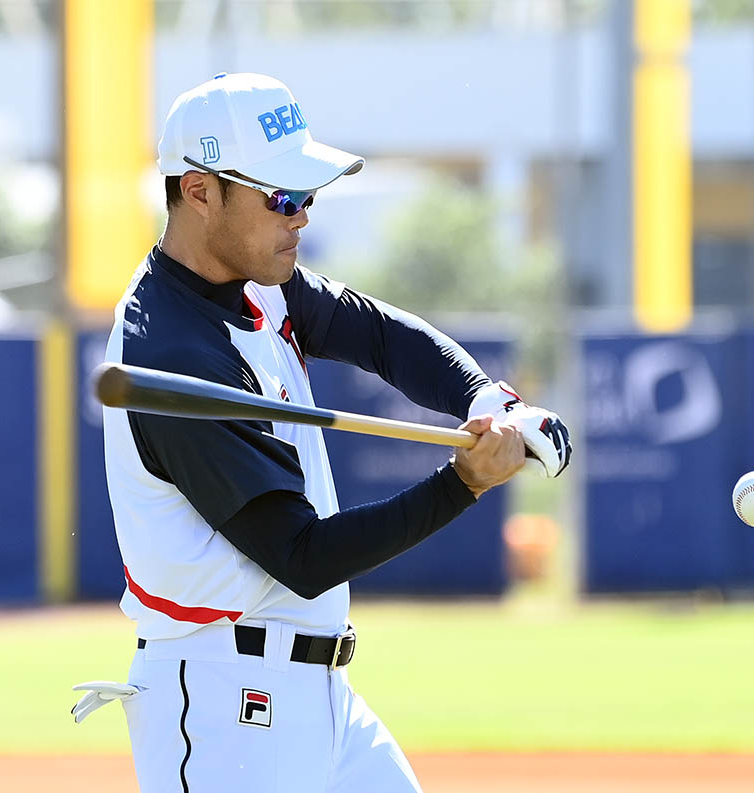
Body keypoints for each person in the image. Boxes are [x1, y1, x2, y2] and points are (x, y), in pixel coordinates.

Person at [70, 72, 571, 793]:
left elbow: (376, 334)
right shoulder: (174, 352)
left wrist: (489, 398)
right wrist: (464, 484)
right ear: (201, 192)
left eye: (308, 196)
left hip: (318, 693)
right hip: (224, 708)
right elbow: (301, 554)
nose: (301, 217)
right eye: (282, 198)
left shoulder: (256, 281)